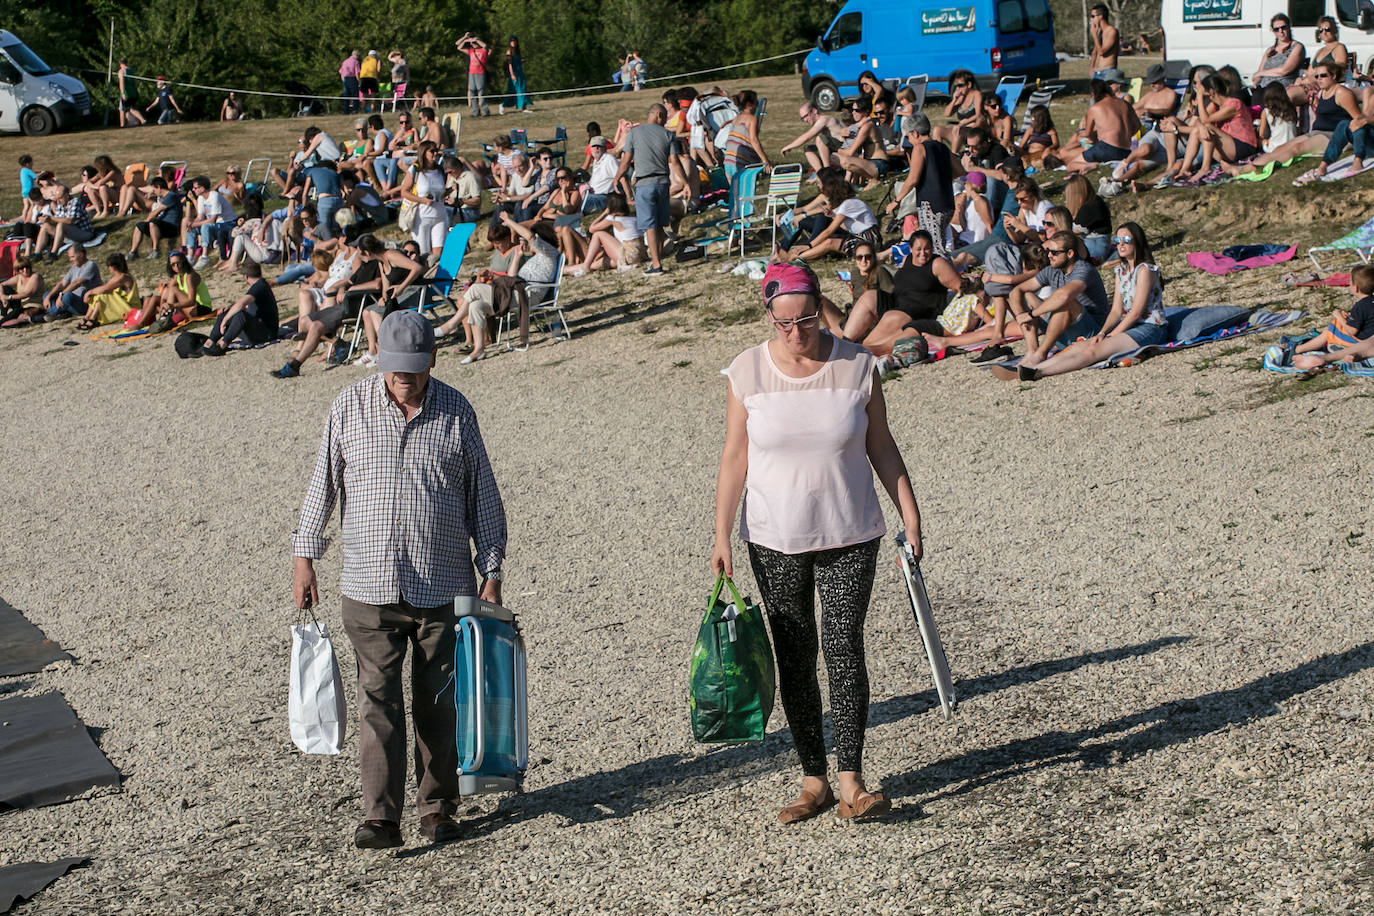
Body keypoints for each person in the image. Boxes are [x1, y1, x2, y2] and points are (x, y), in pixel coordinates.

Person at [711, 261, 922, 825]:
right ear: (769, 316)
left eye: (805, 319)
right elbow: (735, 457)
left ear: (819, 309)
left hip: (851, 530)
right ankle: (814, 778)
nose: (796, 332)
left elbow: (882, 444)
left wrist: (910, 511)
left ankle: (851, 777)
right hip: (774, 535)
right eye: (783, 323)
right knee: (796, 654)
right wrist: (722, 534)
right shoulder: (746, 371)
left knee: (844, 645)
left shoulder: (858, 365)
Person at [291, 309, 507, 850]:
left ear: (434, 358)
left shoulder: (457, 410)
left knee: (439, 702)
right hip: (368, 584)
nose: (403, 377)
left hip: (443, 583)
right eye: (394, 367)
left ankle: (437, 808)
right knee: (377, 703)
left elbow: (484, 495)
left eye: (413, 367)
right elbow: (324, 484)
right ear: (381, 360)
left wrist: (493, 569)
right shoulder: (349, 406)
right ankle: (380, 817)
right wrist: (305, 556)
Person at [997, 222, 1164, 381]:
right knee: (1079, 347)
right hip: (1128, 327)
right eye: (1117, 240)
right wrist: (1103, 333)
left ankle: (1038, 372)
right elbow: (1116, 311)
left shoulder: (1145, 270)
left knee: (1092, 351)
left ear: (1137, 242)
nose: (1120, 244)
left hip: (1150, 327)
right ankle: (1028, 367)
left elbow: (1135, 313)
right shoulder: (1120, 270)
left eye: (1126, 240)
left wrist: (1111, 335)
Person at [842, 229, 961, 354]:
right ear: (910, 249)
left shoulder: (937, 264)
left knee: (892, 316)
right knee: (869, 296)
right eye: (918, 249)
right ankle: (845, 341)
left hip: (919, 310)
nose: (923, 253)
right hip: (897, 302)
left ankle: (861, 349)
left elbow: (960, 287)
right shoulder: (907, 260)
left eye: (927, 248)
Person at [1006, 230, 1111, 369]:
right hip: (1065, 334)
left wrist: (1031, 314)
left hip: (1091, 335)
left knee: (1066, 302)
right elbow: (1016, 291)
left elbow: (1064, 296)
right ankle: (1032, 351)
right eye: (1048, 251)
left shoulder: (1084, 269)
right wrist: (1020, 315)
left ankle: (1040, 355)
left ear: (1070, 254)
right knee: (1027, 295)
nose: (1049, 255)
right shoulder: (1051, 270)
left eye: (1054, 253)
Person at [615, 103, 677, 275]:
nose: (665, 121)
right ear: (657, 114)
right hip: (663, 183)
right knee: (659, 225)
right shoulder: (668, 134)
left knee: (650, 225)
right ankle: (658, 260)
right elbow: (675, 162)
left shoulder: (634, 133)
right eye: (664, 117)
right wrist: (685, 183)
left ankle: (656, 265)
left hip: (645, 184)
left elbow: (626, 161)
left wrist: (617, 178)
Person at [885, 112, 959, 255]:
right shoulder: (942, 147)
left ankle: (946, 275)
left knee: (935, 249)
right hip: (948, 204)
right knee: (939, 244)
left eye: (908, 136)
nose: (909, 141)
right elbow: (960, 171)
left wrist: (897, 200)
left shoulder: (920, 148)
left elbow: (912, 179)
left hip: (930, 206)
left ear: (915, 133)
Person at [777, 173, 880, 262]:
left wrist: (809, 245)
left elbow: (829, 230)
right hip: (860, 235)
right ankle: (788, 254)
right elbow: (847, 227)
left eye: (820, 183)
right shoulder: (848, 202)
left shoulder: (848, 204)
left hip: (869, 239)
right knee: (818, 232)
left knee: (829, 242)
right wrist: (834, 216)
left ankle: (793, 259)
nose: (819, 187)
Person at [1292, 264, 1374, 370]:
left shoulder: (1360, 306)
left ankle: (1298, 349)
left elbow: (1352, 331)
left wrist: (1339, 317)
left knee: (1332, 328)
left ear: (1356, 288)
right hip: (1368, 339)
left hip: (1357, 340)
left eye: (1350, 282)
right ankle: (1354, 355)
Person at [193, 263, 281, 356]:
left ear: (245, 277)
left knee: (240, 314)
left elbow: (241, 303)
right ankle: (209, 343)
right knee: (227, 312)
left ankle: (222, 345)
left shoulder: (260, 286)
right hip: (258, 329)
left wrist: (225, 320)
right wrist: (227, 314)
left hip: (267, 334)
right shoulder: (261, 285)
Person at [1061, 79, 1141, 173]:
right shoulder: (1125, 104)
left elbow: (1088, 134)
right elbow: (1137, 126)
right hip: (1125, 151)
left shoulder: (1095, 108)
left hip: (1106, 148)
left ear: (1093, 94)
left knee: (1071, 166)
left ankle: (1092, 165)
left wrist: (1084, 136)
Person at [568, 193, 644, 276]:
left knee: (598, 234)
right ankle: (565, 270)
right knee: (600, 263)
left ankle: (585, 266)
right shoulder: (633, 218)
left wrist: (604, 213)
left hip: (628, 255)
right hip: (639, 255)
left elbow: (591, 229)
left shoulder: (613, 219)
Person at [399, 141, 449, 261]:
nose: (436, 153)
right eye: (432, 151)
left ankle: (438, 276)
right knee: (423, 254)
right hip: (421, 217)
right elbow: (404, 192)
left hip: (440, 216)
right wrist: (422, 200)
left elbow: (441, 193)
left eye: (436, 150)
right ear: (424, 153)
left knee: (439, 253)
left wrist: (450, 191)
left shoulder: (440, 170)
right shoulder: (415, 170)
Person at [32, 185, 96, 262]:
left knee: (61, 225)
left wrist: (51, 218)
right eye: (57, 198)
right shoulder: (60, 204)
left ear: (67, 195)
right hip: (70, 234)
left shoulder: (75, 202)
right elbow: (57, 219)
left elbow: (70, 220)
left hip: (84, 233)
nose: (58, 201)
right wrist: (47, 220)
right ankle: (37, 254)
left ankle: (53, 253)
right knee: (46, 226)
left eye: (60, 198)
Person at [74, 254, 137, 331]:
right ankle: (88, 317)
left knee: (101, 295)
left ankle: (92, 318)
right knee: (97, 294)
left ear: (112, 267)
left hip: (130, 307)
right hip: (123, 303)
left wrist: (89, 292)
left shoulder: (122, 278)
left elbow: (105, 289)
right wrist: (91, 293)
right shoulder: (121, 277)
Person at [781, 102, 848, 175]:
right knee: (807, 148)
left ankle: (828, 173)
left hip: (845, 150)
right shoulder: (821, 122)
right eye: (802, 118)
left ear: (814, 111)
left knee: (819, 139)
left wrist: (788, 147)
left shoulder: (824, 119)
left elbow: (806, 137)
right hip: (836, 148)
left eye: (806, 116)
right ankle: (821, 174)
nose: (805, 120)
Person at [39, 245, 102, 322]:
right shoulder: (74, 267)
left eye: (72, 257)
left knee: (68, 295)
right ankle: (58, 312)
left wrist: (61, 295)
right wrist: (48, 297)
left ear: (81, 255)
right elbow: (62, 283)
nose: (70, 260)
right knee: (47, 293)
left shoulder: (90, 265)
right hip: (70, 302)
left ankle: (49, 314)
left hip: (84, 302)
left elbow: (77, 283)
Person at [185, 176, 238, 268]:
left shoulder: (214, 196)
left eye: (195, 188)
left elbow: (213, 219)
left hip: (227, 223)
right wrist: (192, 224)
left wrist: (195, 224)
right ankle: (190, 256)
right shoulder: (201, 198)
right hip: (215, 224)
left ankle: (205, 257)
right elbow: (200, 216)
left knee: (205, 226)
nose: (193, 190)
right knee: (191, 229)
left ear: (202, 188)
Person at [127, 177, 183, 260]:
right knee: (139, 225)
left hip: (172, 227)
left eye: (154, 190)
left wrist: (147, 220)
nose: (154, 192)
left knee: (153, 222)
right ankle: (133, 252)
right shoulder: (164, 197)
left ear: (159, 187)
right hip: (162, 225)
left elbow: (156, 212)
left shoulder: (171, 196)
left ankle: (155, 250)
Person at [1253, 14, 1306, 96]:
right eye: (1276, 29)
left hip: (1281, 87)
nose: (1280, 31)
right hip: (1263, 87)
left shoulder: (1297, 47)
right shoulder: (1270, 50)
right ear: (1273, 31)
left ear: (1289, 27)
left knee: (1258, 96)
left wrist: (1261, 73)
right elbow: (1258, 73)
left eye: (1283, 27)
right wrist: (1256, 80)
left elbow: (1284, 71)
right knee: (1240, 95)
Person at [723, 90, 772, 179]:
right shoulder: (752, 119)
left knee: (735, 191)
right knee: (745, 189)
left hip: (728, 161)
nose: (757, 104)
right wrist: (765, 161)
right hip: (741, 162)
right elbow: (754, 140)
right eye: (756, 101)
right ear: (750, 104)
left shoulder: (737, 118)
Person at [1063, 175, 1112, 262]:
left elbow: (1075, 231)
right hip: (1100, 242)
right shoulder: (1096, 201)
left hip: (1095, 244)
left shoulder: (1090, 206)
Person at [0, 257, 46, 327]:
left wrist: (8, 297)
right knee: (5, 289)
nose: (25, 270)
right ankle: (3, 314)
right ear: (17, 270)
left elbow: (28, 293)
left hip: (35, 305)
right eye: (21, 268)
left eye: (27, 267)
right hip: (22, 305)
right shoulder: (19, 277)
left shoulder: (35, 277)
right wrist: (2, 297)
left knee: (15, 315)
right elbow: (2, 284)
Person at [582, 136, 620, 213]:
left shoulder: (609, 159)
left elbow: (620, 177)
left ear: (605, 148)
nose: (596, 148)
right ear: (590, 149)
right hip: (593, 195)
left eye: (599, 146)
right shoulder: (596, 161)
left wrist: (628, 197)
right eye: (594, 146)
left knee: (580, 201)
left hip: (604, 197)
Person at [457, 33, 491, 117]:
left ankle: (485, 111)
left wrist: (477, 40)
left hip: (480, 73)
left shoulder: (483, 50)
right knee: (472, 92)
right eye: (472, 43)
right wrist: (465, 39)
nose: (473, 44)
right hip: (471, 73)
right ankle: (475, 111)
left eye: (474, 43)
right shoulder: (471, 51)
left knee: (481, 92)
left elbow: (486, 46)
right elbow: (459, 47)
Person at [1089, 4, 1120, 73]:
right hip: (1097, 71)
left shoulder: (1112, 31)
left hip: (1108, 71)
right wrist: (1092, 67)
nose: (1091, 19)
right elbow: (1095, 52)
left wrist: (1094, 35)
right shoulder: (1099, 31)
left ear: (1100, 16)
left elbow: (1101, 52)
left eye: (1093, 16)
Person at [117, 59, 146, 127]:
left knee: (122, 109)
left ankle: (122, 125)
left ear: (120, 64)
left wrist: (123, 93)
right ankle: (141, 120)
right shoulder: (132, 70)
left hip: (127, 93)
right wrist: (135, 90)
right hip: (133, 93)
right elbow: (136, 82)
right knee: (131, 108)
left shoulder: (121, 71)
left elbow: (122, 82)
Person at [505, 37, 528, 111]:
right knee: (516, 90)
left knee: (523, 88)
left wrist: (521, 61)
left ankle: (523, 107)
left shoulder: (518, 51)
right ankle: (503, 105)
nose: (513, 43)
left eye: (514, 41)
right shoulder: (509, 51)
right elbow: (510, 64)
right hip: (514, 73)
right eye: (511, 41)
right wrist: (512, 75)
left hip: (520, 71)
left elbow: (517, 61)